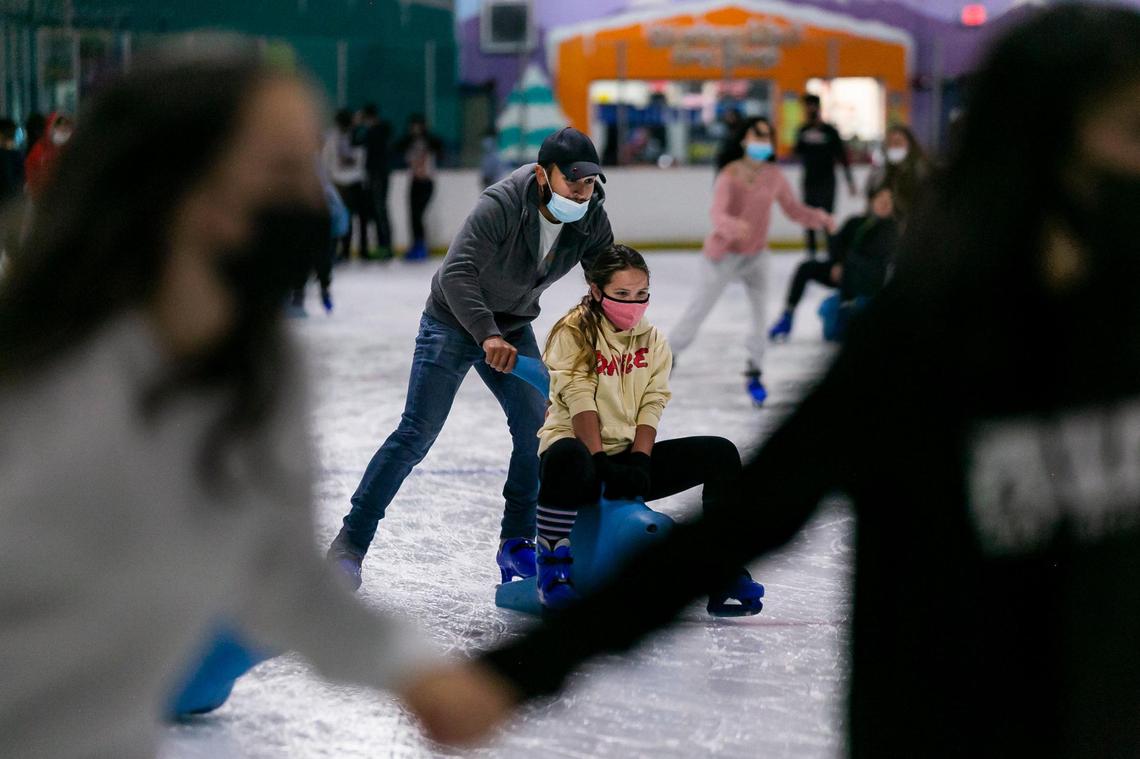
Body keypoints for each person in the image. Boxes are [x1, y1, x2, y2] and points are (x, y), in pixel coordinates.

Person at [455, 5, 1140, 755]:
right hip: (942, 724)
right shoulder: (923, 341)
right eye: (1129, 131)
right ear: (1042, 142)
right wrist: (521, 672)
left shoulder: (1125, 323)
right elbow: (752, 514)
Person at [0, 57, 511, 758]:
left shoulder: (263, 368)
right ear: (175, 182)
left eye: (308, 167)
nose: (314, 200)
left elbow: (279, 568)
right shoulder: (35, 359)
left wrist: (410, 671)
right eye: (279, 170)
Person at [327, 127, 615, 590]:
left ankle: (516, 544)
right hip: (453, 319)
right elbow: (458, 271)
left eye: (589, 183)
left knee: (536, 431)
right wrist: (486, 335)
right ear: (544, 175)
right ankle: (349, 545)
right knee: (416, 432)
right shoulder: (502, 203)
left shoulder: (589, 214)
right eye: (573, 182)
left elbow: (606, 275)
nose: (582, 193)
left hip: (514, 323)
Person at [535, 243, 765, 613]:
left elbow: (652, 403)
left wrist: (639, 461)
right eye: (622, 294)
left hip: (625, 457)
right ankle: (552, 564)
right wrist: (600, 460)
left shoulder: (653, 341)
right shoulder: (572, 332)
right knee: (565, 455)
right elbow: (580, 400)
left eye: (641, 294)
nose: (633, 303)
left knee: (720, 453)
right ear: (597, 291)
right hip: (579, 455)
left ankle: (720, 568)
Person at [669, 116, 833, 405]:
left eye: (767, 136)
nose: (762, 142)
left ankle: (755, 368)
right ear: (744, 140)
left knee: (760, 315)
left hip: (756, 255)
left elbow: (794, 210)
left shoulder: (774, 176)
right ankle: (668, 357)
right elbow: (717, 214)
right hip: (722, 255)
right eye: (757, 136)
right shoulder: (729, 175)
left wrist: (821, 219)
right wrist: (733, 227)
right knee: (698, 310)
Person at [769, 185, 899, 342]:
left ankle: (844, 314)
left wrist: (846, 265)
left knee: (851, 267)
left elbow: (877, 257)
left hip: (869, 279)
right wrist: (837, 261)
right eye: (881, 199)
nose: (884, 204)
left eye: (888, 201)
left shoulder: (892, 229)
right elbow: (838, 245)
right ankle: (787, 317)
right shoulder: (855, 222)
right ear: (872, 201)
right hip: (846, 274)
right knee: (806, 267)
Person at [794, 94, 855, 259]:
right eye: (806, 107)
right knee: (809, 219)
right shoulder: (803, 131)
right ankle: (811, 255)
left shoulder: (830, 131)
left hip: (827, 181)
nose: (808, 110)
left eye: (810, 106)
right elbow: (796, 151)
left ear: (817, 107)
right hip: (809, 182)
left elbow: (842, 156)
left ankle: (831, 254)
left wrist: (850, 181)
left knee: (827, 218)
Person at [395, 113, 443, 260]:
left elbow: (439, 146)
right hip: (415, 181)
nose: (415, 129)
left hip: (426, 182)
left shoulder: (430, 141)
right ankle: (416, 244)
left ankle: (421, 246)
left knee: (418, 215)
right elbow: (397, 147)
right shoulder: (409, 142)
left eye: (417, 126)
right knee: (413, 215)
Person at [322, 108, 368, 261]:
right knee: (347, 218)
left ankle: (352, 250)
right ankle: (346, 250)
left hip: (350, 181)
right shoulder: (335, 137)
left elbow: (326, 159)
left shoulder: (351, 135)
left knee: (355, 218)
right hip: (344, 181)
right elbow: (327, 159)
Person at [865, 123, 930, 226]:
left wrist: (895, 202)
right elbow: (870, 199)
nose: (893, 147)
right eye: (889, 143)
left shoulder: (921, 170)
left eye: (898, 142)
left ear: (910, 144)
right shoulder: (879, 172)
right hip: (884, 229)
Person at [355, 102, 394, 260]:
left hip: (378, 174)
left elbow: (357, 142)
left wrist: (356, 126)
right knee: (378, 210)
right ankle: (383, 245)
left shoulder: (376, 131)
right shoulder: (378, 131)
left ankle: (385, 246)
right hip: (377, 174)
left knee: (380, 209)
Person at [24, 112, 71, 201]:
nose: (63, 132)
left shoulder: (70, 151)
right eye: (59, 128)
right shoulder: (39, 151)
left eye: (66, 129)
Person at [713, 106, 744, 172]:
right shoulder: (725, 130)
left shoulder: (742, 131)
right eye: (727, 116)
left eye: (731, 116)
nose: (729, 118)